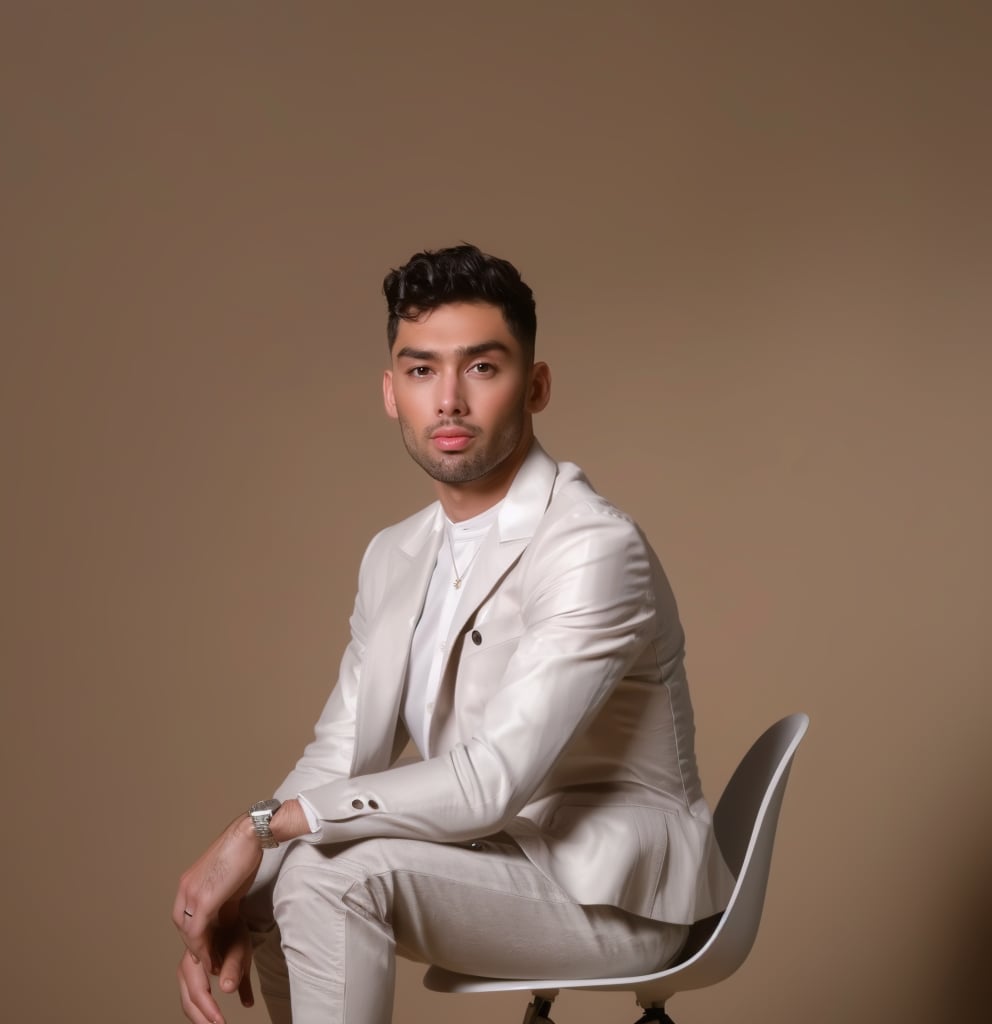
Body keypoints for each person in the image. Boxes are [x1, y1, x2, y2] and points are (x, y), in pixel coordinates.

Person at [173, 244, 734, 1024]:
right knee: (282, 877)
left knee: (323, 869)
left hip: (620, 900)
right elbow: (341, 753)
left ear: (534, 386)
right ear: (389, 392)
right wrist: (255, 871)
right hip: (498, 867)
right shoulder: (393, 555)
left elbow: (491, 780)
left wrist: (259, 828)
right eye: (421, 370)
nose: (448, 402)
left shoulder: (592, 545)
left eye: (480, 368)